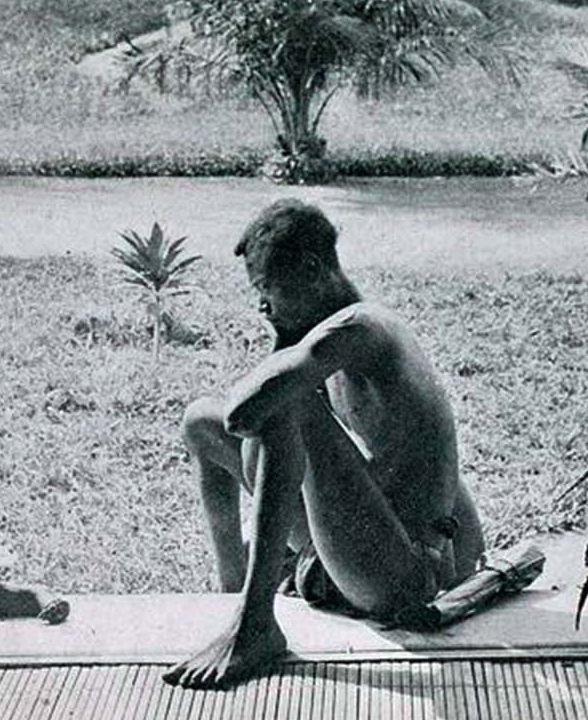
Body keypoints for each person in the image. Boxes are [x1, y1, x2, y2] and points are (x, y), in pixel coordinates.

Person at [168, 199, 485, 690]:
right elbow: (232, 425)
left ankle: (256, 625)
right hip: (367, 550)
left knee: (284, 405)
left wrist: (284, 352)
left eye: (267, 289)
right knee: (199, 424)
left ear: (313, 270)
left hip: (408, 574)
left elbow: (248, 410)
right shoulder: (327, 341)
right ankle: (233, 597)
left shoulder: (361, 330)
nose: (263, 307)